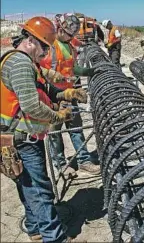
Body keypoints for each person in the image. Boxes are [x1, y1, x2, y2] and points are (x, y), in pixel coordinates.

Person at [0, 16, 85, 242]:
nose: (46, 53)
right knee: (39, 190)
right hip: (22, 138)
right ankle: (54, 237)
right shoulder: (18, 64)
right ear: (30, 40)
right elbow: (30, 105)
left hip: (21, 136)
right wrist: (57, 115)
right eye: (44, 47)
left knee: (28, 186)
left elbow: (45, 91)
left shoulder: (29, 64)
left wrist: (67, 93)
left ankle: (35, 227)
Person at [40, 13, 101, 176]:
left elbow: (73, 68)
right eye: (68, 34)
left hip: (70, 93)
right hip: (53, 96)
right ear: (59, 29)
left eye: (72, 35)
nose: (70, 37)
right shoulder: (49, 47)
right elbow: (40, 72)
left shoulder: (70, 46)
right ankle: (60, 164)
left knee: (76, 128)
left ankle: (84, 161)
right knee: (54, 132)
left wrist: (90, 71)